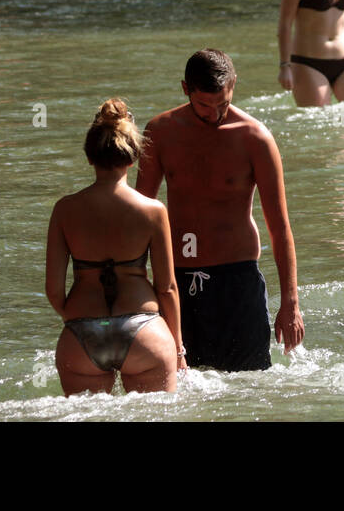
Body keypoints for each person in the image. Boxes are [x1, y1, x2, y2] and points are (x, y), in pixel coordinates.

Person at [135, 50, 304, 371]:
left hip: (237, 281)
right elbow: (139, 216)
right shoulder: (160, 132)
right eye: (204, 105)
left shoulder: (255, 137)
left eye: (223, 104)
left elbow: (280, 226)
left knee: (250, 387)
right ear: (186, 89)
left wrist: (290, 303)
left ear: (234, 85)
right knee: (180, 387)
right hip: (176, 282)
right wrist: (134, 286)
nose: (214, 115)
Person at [45, 99, 183, 394]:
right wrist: (179, 347)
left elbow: (54, 291)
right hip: (145, 332)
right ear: (132, 159)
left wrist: (77, 321)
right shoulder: (153, 210)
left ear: (90, 157)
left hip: (81, 334)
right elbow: (167, 287)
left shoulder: (65, 210)